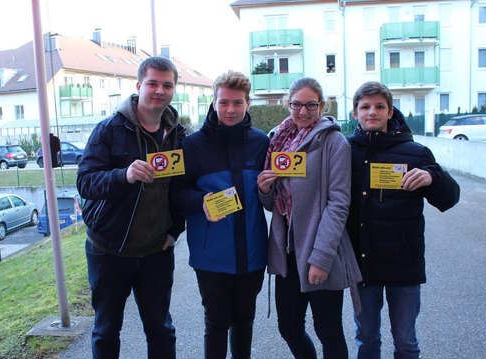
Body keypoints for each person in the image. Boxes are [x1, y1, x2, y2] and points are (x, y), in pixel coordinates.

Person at [76, 56, 186, 359]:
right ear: (139, 86)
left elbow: (180, 189)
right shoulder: (109, 129)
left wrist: (175, 231)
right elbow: (85, 183)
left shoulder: (178, 134)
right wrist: (123, 175)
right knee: (107, 330)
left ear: (174, 89)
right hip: (109, 250)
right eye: (153, 83)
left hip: (156, 251)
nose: (159, 90)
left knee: (161, 330)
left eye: (167, 85)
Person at [346, 81, 460, 359]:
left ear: (390, 111)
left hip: (403, 265)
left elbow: (449, 198)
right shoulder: (345, 151)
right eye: (365, 107)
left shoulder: (416, 152)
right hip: (363, 265)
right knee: (366, 339)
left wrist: (434, 176)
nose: (372, 112)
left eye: (379, 107)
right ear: (355, 113)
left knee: (406, 342)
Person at [257, 77, 362, 359]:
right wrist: (265, 188)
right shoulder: (277, 139)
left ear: (322, 105)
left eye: (311, 105)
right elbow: (272, 204)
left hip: (319, 249)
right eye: (297, 104)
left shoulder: (334, 142)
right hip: (287, 250)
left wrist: (321, 257)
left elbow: (339, 203)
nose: (303, 111)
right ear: (287, 104)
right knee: (288, 327)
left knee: (328, 330)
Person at [171, 70, 269, 359]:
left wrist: (268, 189)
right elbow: (176, 193)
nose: (230, 109)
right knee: (216, 323)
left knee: (244, 320)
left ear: (247, 103)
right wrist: (201, 202)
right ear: (213, 103)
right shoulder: (191, 145)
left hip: (252, 252)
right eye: (224, 102)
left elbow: (274, 195)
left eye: (237, 103)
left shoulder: (261, 143)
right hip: (211, 255)